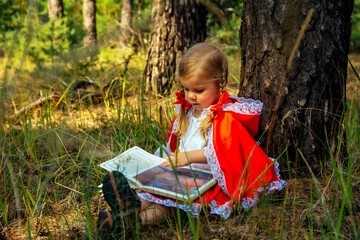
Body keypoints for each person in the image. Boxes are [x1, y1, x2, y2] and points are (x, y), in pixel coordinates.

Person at [97, 42, 287, 239]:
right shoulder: (187, 112)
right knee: (152, 195)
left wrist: (190, 157)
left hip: (207, 180)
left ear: (220, 82)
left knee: (169, 207)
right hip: (180, 173)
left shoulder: (224, 117)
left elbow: (227, 153)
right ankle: (126, 210)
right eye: (186, 89)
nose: (190, 96)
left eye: (198, 90)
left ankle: (133, 222)